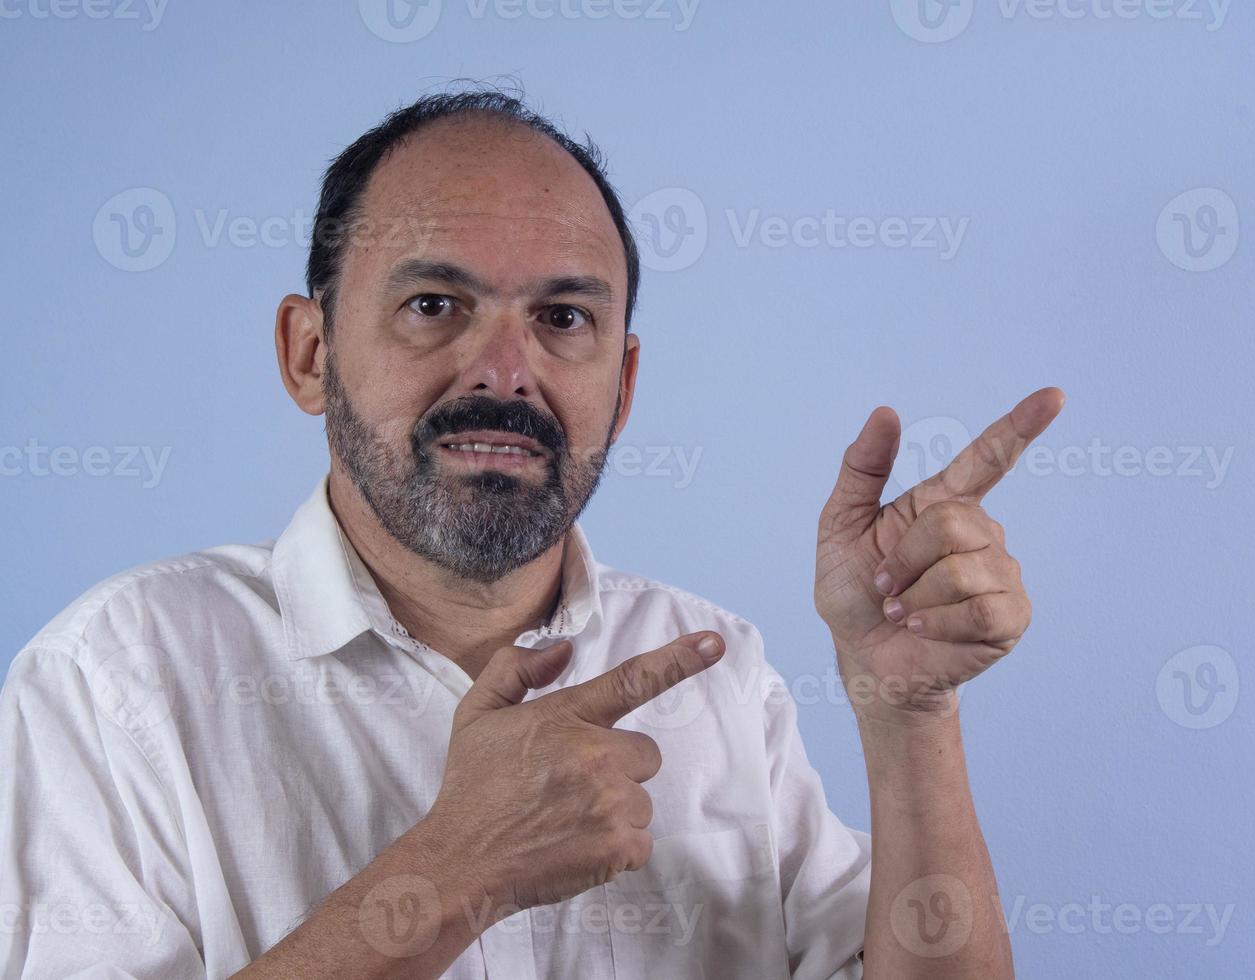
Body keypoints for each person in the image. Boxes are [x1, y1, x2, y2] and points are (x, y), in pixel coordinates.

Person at [0, 89, 1063, 979]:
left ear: (625, 381)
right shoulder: (114, 681)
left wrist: (909, 712)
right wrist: (459, 865)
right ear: (309, 352)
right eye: (432, 304)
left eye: (564, 318)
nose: (505, 371)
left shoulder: (718, 671)